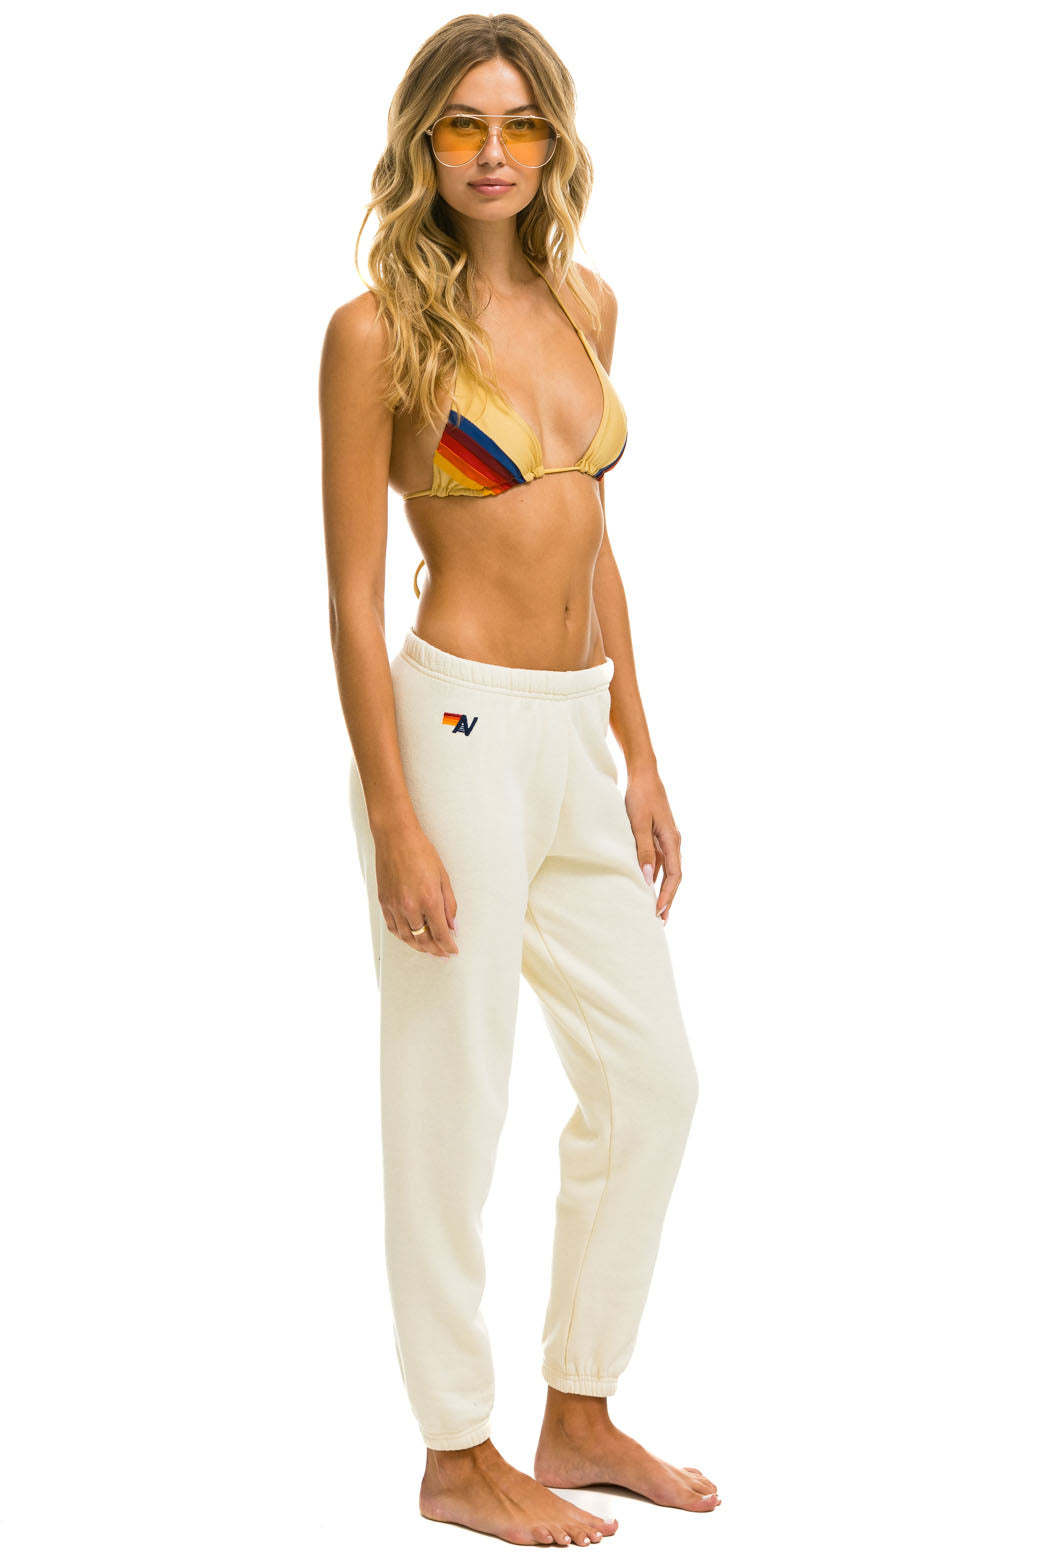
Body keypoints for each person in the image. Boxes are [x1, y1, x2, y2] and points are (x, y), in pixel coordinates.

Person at [319, 13, 719, 1547]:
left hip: (573, 732)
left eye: (521, 125)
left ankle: (579, 1411)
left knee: (652, 1081)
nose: (493, 154)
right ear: (422, 144)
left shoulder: (587, 302)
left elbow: (594, 540)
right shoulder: (375, 333)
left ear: (554, 142)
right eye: (462, 126)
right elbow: (354, 593)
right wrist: (394, 815)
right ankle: (454, 1448)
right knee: (455, 1093)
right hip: (458, 732)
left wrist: (641, 747)